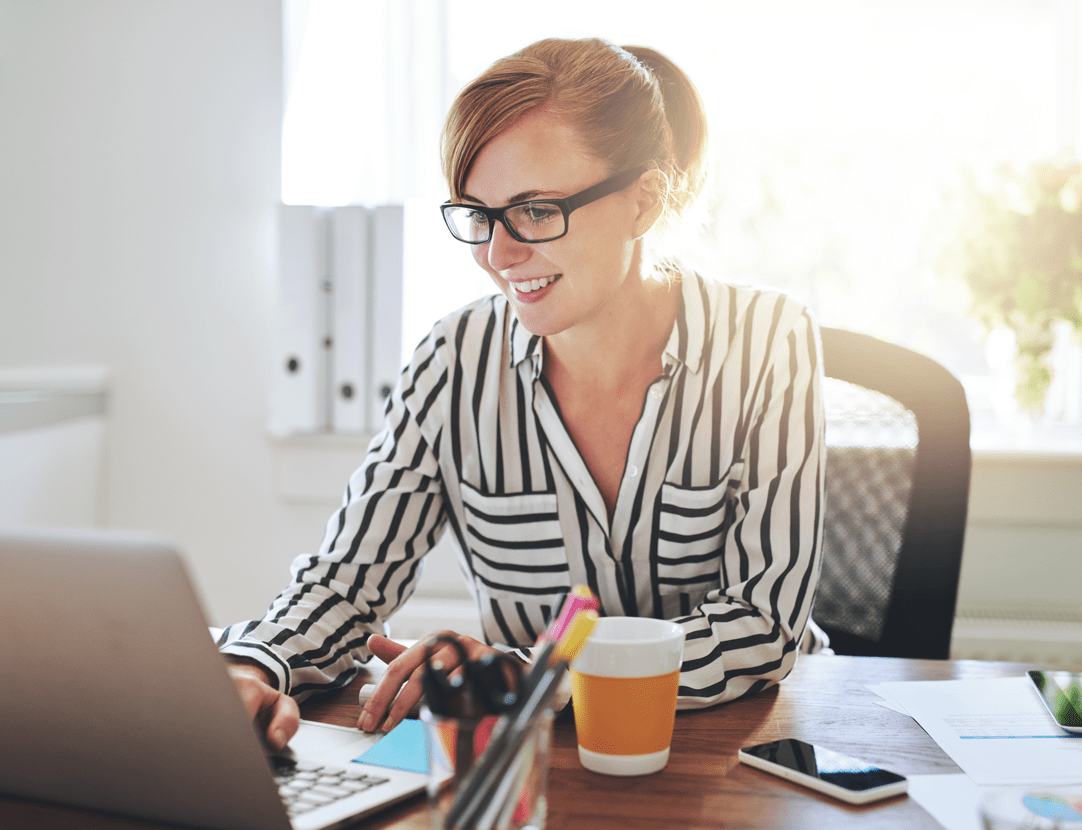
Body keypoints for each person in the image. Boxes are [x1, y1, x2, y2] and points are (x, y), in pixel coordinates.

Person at [221, 37, 825, 750]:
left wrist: (534, 675)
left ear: (643, 199)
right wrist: (245, 666)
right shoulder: (453, 360)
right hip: (536, 770)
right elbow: (345, 584)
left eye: (536, 210)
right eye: (478, 215)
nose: (498, 256)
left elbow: (762, 622)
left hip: (736, 756)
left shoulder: (767, 339)